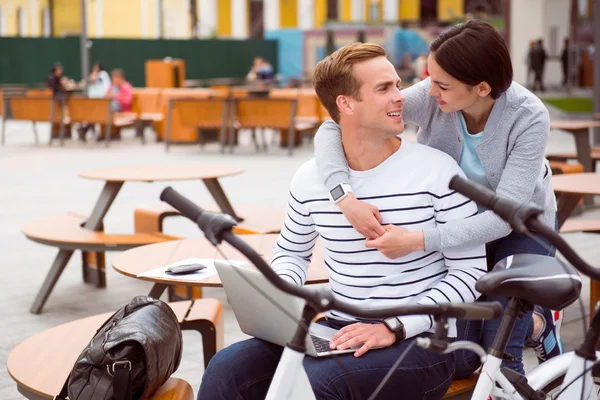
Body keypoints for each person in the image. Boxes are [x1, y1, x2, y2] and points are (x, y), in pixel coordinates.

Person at [197, 42, 487, 400]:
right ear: (345, 104)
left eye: (397, 84)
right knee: (226, 369)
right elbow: (291, 253)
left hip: (426, 341)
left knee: (317, 382)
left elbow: (471, 273)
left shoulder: (437, 171)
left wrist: (393, 327)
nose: (401, 97)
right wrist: (281, 305)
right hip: (339, 329)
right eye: (384, 89)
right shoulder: (309, 178)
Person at [312, 20, 559, 377]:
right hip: (458, 222)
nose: (429, 91)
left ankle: (536, 328)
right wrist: (344, 197)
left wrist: (416, 241)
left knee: (501, 353)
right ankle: (536, 324)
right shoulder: (435, 95)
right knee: (466, 348)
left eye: (441, 84)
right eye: (430, 79)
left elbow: (506, 217)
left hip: (520, 226)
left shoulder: (529, 116)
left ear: (481, 88)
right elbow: (334, 124)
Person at [78, 62, 112, 141]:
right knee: (92, 115)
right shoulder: (93, 76)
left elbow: (106, 86)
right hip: (94, 100)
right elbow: (86, 83)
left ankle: (84, 130)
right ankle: (85, 130)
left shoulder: (103, 74)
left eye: (97, 67)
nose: (95, 69)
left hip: (102, 100)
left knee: (96, 114)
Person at [97, 69, 133, 140]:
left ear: (121, 78)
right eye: (113, 78)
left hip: (121, 109)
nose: (114, 80)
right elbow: (106, 96)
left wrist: (115, 96)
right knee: (101, 108)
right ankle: (105, 133)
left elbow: (128, 101)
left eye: (115, 78)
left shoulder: (126, 86)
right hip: (110, 108)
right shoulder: (112, 86)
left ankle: (107, 134)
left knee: (106, 109)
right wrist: (108, 95)